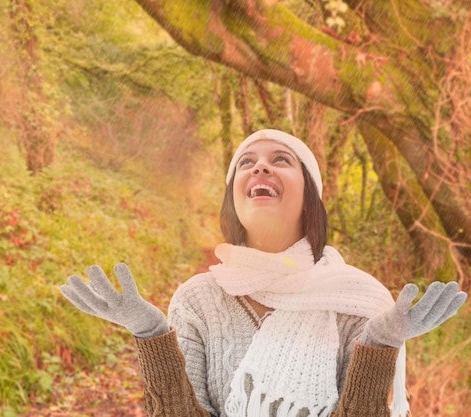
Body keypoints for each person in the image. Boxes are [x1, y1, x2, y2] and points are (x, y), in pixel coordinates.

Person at [60, 129, 467, 417]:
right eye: (247, 164)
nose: (260, 169)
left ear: (309, 197)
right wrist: (151, 334)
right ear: (234, 199)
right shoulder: (197, 300)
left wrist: (381, 343)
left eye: (280, 161)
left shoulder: (359, 302)